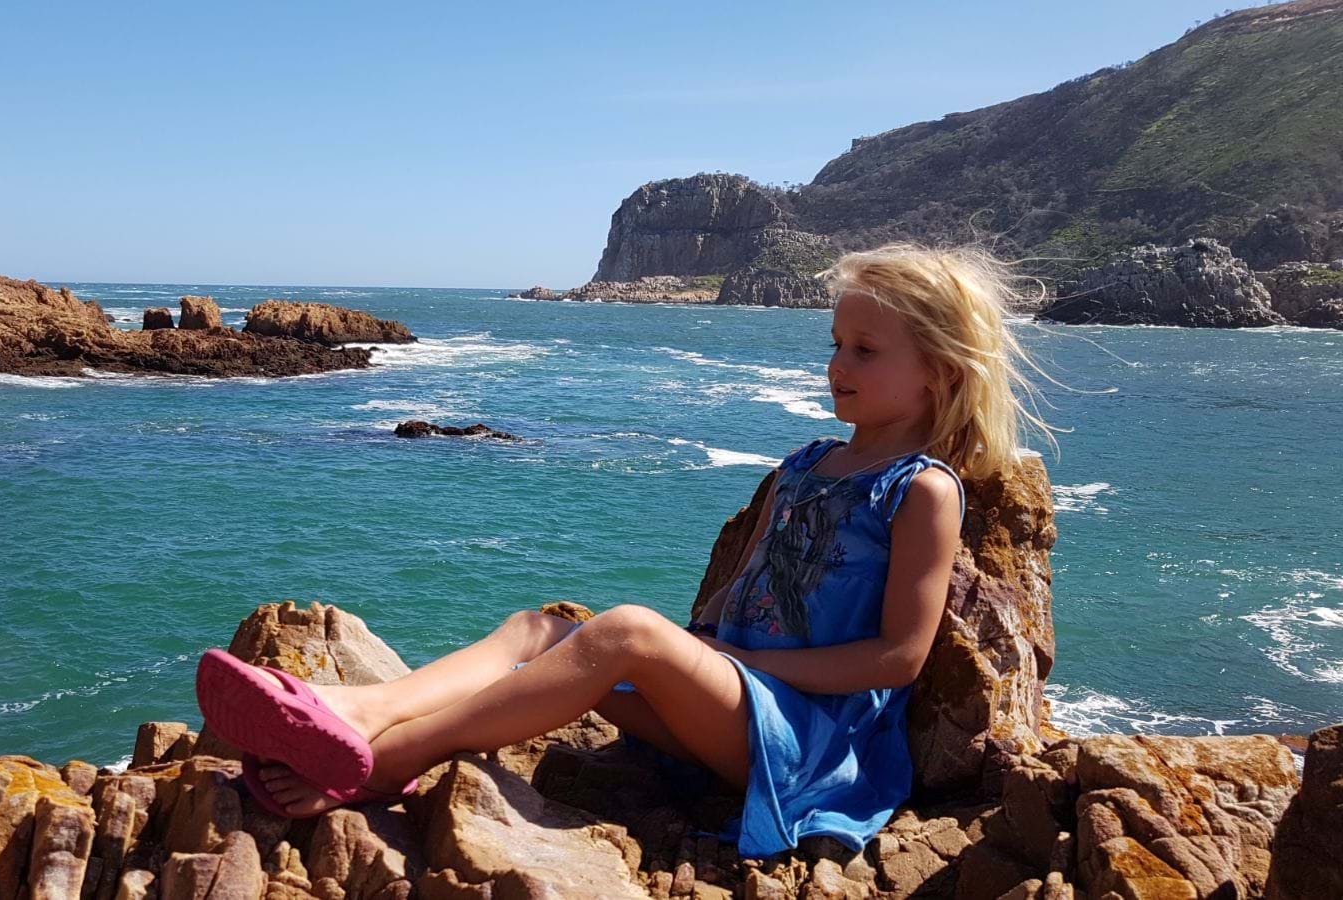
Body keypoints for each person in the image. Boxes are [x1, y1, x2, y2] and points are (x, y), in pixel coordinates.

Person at [196, 243, 1057, 856]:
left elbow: (899, 658)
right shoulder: (806, 464)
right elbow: (742, 595)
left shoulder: (921, 490)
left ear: (940, 370)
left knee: (628, 632)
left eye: (865, 350)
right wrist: (709, 653)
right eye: (836, 343)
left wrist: (736, 662)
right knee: (539, 628)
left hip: (804, 742)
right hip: (730, 702)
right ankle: (365, 709)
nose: (839, 364)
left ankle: (389, 763)